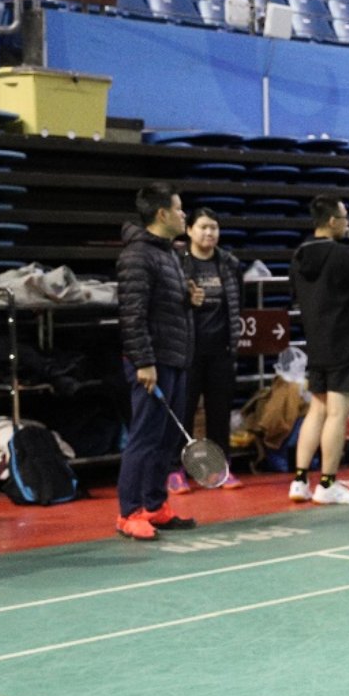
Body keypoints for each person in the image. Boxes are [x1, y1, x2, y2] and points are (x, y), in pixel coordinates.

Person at [115, 183, 199, 540]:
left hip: (175, 357)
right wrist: (143, 362)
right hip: (152, 361)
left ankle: (155, 505)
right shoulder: (137, 256)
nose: (184, 215)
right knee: (145, 438)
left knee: (166, 439)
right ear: (162, 213)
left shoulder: (169, 253)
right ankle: (129, 512)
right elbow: (132, 315)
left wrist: (188, 298)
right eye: (179, 209)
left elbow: (162, 306)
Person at [289, 196, 349, 505]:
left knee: (317, 410)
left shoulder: (300, 255)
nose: (347, 223)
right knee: (338, 413)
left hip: (316, 343)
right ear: (332, 221)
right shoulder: (340, 255)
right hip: (346, 343)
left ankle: (300, 481)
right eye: (344, 217)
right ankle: (327, 483)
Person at [173, 206, 243, 492]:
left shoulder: (229, 263)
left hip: (220, 351)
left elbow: (238, 303)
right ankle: (175, 470)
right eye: (203, 227)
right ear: (189, 230)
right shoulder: (177, 262)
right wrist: (187, 300)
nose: (209, 232)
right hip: (188, 351)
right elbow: (168, 304)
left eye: (214, 227)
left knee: (219, 414)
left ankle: (221, 469)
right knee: (184, 411)